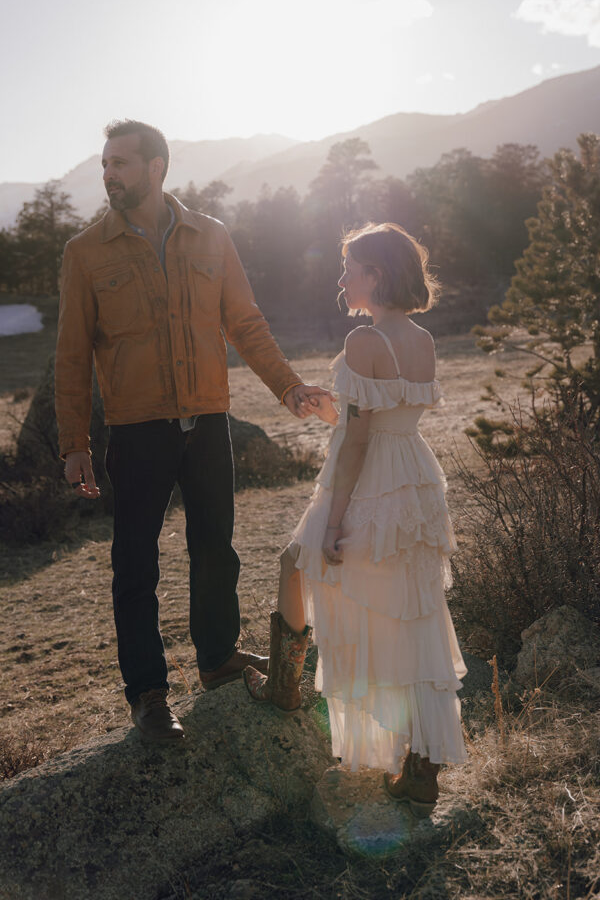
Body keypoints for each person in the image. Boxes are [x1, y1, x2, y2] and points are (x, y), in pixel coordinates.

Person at [55, 119, 330, 744]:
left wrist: (287, 386)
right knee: (135, 566)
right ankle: (149, 696)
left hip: (206, 422)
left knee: (216, 551)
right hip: (136, 430)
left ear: (157, 168)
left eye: (121, 162)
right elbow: (71, 355)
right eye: (104, 163)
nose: (109, 173)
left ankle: (216, 660)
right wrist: (76, 442)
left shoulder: (212, 236)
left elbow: (246, 324)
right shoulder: (85, 252)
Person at [244, 222, 467, 816]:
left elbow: (359, 444)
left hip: (369, 482)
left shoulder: (364, 341)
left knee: (298, 559)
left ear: (376, 274)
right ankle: (423, 765)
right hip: (415, 478)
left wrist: (336, 519)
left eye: (350, 267)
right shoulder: (421, 338)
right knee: (413, 611)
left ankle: (286, 688)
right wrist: (332, 409)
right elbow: (382, 420)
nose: (342, 279)